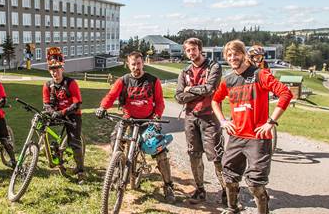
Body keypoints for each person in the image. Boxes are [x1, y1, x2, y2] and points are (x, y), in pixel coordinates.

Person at [211, 40, 293, 214]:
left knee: (255, 183)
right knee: (229, 176)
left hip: (258, 138)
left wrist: (271, 122)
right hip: (236, 136)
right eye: (229, 56)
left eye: (236, 54)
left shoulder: (260, 75)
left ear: (243, 54)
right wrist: (223, 121)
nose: (232, 59)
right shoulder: (229, 80)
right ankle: (233, 210)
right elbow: (215, 100)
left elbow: (285, 93)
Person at [95, 51, 175, 202]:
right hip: (128, 119)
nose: (136, 67)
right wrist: (103, 107)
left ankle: (168, 186)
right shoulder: (123, 81)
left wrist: (157, 118)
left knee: (160, 151)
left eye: (138, 63)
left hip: (147, 121)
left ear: (143, 63)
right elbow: (111, 96)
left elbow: (159, 102)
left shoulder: (153, 80)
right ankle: (118, 169)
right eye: (133, 64)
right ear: (128, 64)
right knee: (115, 139)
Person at [174, 38, 226, 205]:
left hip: (210, 116)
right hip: (191, 117)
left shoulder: (214, 67)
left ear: (200, 49)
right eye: (188, 50)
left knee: (217, 156)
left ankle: (227, 192)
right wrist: (199, 91)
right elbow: (178, 97)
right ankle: (200, 189)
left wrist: (189, 90)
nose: (191, 53)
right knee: (194, 155)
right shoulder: (185, 72)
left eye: (194, 49)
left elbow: (210, 88)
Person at [42, 47, 85, 183]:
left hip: (72, 115)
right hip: (56, 113)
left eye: (57, 69)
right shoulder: (47, 85)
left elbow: (77, 104)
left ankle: (80, 170)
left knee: (74, 142)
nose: (55, 72)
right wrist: (52, 112)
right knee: (39, 122)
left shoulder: (71, 83)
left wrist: (62, 112)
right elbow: (46, 104)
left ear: (62, 68)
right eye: (52, 70)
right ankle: (43, 148)